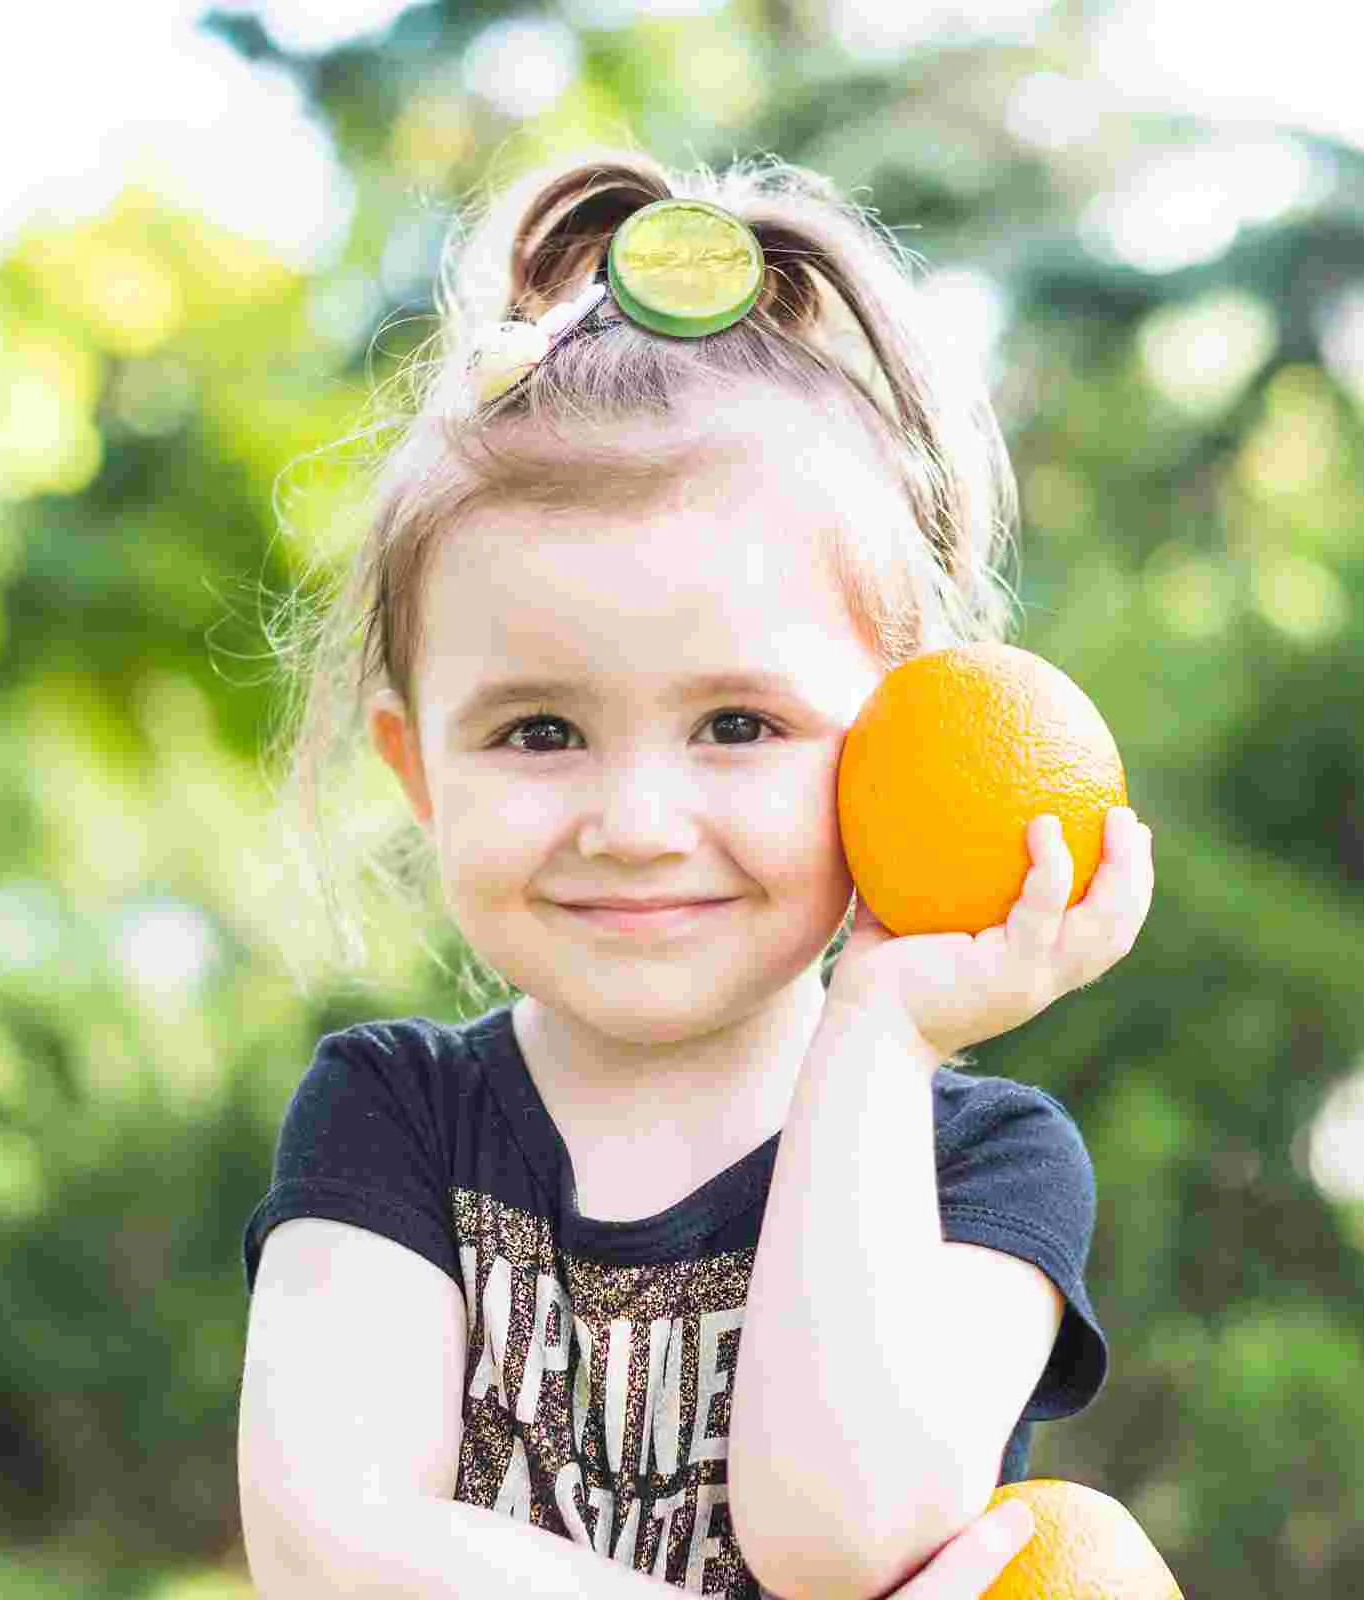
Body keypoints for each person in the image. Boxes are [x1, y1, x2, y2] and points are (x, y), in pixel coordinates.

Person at [237, 147, 1154, 1599]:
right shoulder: (393, 1118)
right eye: (540, 730)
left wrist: (884, 1030)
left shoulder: (977, 1166)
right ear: (419, 770)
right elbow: (334, 1544)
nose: (639, 822)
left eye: (739, 724)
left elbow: (838, 1535)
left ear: (892, 747)